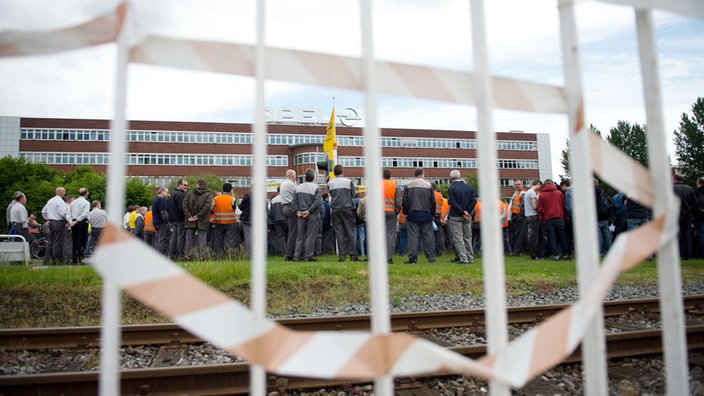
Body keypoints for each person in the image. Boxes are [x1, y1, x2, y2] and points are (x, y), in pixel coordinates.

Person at [401, 168, 436, 264]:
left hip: (413, 213)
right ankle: (431, 257)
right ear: (423, 174)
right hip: (426, 213)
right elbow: (433, 201)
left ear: (415, 174)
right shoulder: (429, 185)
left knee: (413, 236)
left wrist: (406, 211)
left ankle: (413, 257)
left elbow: (405, 201)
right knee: (428, 236)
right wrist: (432, 213)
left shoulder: (408, 185)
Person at [327, 164, 358, 262]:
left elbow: (331, 194)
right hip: (347, 209)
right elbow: (353, 195)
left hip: (335, 210)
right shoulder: (348, 182)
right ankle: (353, 255)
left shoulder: (330, 183)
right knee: (350, 232)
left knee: (339, 233)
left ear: (334, 173)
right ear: (342, 172)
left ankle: (342, 256)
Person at [292, 168, 321, 262]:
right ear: (313, 177)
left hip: (300, 215)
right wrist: (308, 211)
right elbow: (317, 202)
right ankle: (308, 255)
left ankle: (297, 256)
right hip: (312, 215)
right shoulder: (316, 187)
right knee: (310, 236)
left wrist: (297, 211)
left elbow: (293, 201)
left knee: (299, 236)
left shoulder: (298, 187)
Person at [447, 169, 476, 264]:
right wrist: (467, 211)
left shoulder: (452, 188)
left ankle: (463, 258)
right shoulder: (469, 187)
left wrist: (462, 212)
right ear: (460, 176)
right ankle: (470, 258)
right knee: (468, 237)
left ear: (451, 178)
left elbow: (453, 203)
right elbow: (473, 201)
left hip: (456, 215)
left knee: (458, 238)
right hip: (467, 216)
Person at [537, 179, 569, 261]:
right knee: (563, 237)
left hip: (548, 219)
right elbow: (563, 205)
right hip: (559, 217)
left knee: (552, 238)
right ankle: (565, 254)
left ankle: (556, 255)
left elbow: (540, 209)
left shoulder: (542, 195)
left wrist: (543, 217)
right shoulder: (559, 193)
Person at [183, 179, 213, 260]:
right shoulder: (208, 194)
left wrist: (189, 216)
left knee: (189, 240)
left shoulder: (189, 193)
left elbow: (184, 205)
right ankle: (202, 257)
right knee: (202, 239)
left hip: (190, 220)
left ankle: (188, 256)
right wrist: (198, 216)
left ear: (197, 184)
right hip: (203, 220)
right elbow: (207, 206)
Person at [672, 172, 697, 260]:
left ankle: (677, 253)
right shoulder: (690, 189)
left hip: (676, 213)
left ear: (675, 180)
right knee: (687, 234)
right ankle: (687, 254)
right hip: (688, 214)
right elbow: (695, 203)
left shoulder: (672, 189)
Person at [41, 187, 69, 265]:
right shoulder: (60, 201)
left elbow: (43, 211)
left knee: (51, 241)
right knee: (58, 241)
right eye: (64, 191)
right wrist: (67, 220)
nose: (64, 193)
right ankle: (57, 259)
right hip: (59, 222)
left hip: (51, 222)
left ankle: (47, 259)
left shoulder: (50, 201)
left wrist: (48, 218)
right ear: (61, 192)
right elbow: (62, 213)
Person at [211, 182, 238, 258]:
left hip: (218, 222)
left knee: (218, 239)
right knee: (230, 240)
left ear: (222, 189)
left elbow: (211, 209)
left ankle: (217, 256)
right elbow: (236, 210)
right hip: (230, 222)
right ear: (230, 190)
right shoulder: (232, 199)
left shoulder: (216, 198)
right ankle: (231, 255)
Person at [382, 169, 401, 263]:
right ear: (390, 176)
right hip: (391, 213)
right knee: (390, 235)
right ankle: (389, 258)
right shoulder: (394, 185)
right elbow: (398, 201)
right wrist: (397, 211)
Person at [69, 187, 91, 264]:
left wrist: (71, 221)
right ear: (86, 194)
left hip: (73, 221)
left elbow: (68, 213)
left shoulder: (73, 202)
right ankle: (79, 258)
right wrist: (77, 220)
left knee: (74, 240)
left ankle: (74, 258)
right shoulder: (86, 203)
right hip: (81, 222)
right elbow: (85, 213)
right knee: (82, 240)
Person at [168, 179, 188, 259]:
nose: (186, 187)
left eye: (187, 185)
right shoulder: (181, 195)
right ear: (179, 185)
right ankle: (180, 256)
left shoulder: (173, 194)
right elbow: (182, 208)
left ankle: (171, 255)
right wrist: (187, 216)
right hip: (180, 220)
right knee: (180, 238)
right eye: (185, 185)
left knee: (174, 239)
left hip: (173, 220)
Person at [280, 169, 298, 261]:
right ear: (293, 176)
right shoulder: (291, 184)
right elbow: (298, 194)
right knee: (294, 232)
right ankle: (291, 254)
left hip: (284, 207)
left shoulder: (283, 184)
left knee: (292, 231)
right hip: (291, 208)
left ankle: (291, 253)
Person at [524, 179, 544, 260]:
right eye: (540, 186)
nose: (539, 189)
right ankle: (535, 254)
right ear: (538, 184)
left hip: (528, 215)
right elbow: (534, 206)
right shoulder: (532, 193)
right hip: (533, 216)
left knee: (532, 235)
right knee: (535, 236)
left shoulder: (527, 192)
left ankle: (533, 253)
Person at [594, 179, 614, 256]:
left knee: (598, 236)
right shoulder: (603, 192)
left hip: (596, 216)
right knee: (607, 235)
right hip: (605, 216)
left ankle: (599, 252)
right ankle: (609, 251)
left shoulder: (589, 193)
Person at [508, 179, 527, 255]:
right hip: (515, 216)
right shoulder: (516, 193)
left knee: (518, 235)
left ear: (522, 185)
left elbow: (523, 205)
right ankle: (521, 249)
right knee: (519, 234)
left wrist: (520, 215)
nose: (517, 185)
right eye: (516, 184)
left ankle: (517, 251)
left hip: (519, 216)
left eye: (519, 184)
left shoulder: (522, 193)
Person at [268, 186, 288, 256]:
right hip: (286, 220)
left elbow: (270, 212)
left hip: (277, 221)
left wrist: (272, 220)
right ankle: (288, 250)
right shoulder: (286, 198)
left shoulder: (273, 200)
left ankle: (282, 251)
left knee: (279, 236)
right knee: (287, 235)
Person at [151, 187, 171, 255]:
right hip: (162, 223)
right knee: (162, 241)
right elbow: (164, 213)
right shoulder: (162, 200)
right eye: (167, 192)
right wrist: (167, 222)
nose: (168, 194)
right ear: (162, 191)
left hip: (156, 222)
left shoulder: (155, 200)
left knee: (157, 240)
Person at [431, 182, 447, 258]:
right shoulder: (439, 195)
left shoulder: (429, 194)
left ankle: (432, 251)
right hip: (438, 216)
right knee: (438, 234)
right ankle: (439, 251)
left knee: (429, 234)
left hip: (431, 216)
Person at [559, 179, 573, 255]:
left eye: (561, 187)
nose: (561, 189)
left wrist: (568, 216)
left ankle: (568, 252)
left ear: (564, 185)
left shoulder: (567, 193)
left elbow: (568, 207)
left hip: (572, 217)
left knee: (569, 235)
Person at [694, 176, 704, 259]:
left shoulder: (697, 192)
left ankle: (702, 253)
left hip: (700, 216)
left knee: (701, 235)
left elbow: (695, 204)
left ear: (699, 183)